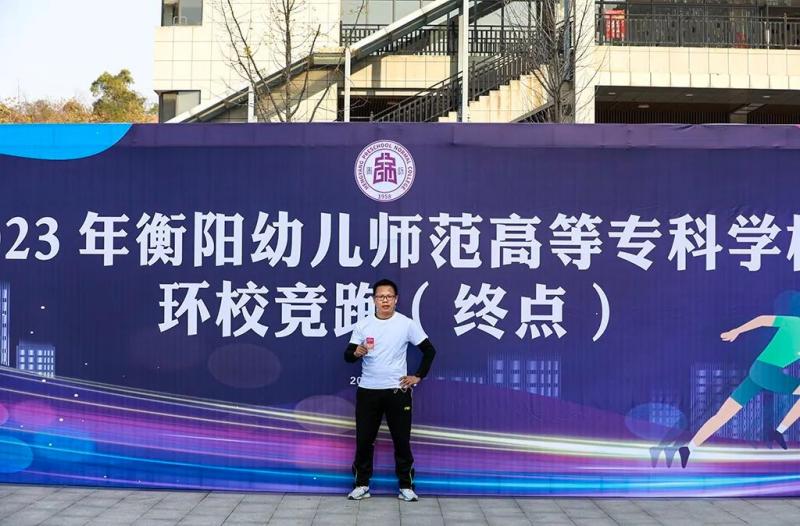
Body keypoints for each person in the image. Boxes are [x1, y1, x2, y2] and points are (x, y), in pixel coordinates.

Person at [343, 278, 437, 501]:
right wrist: (356, 352)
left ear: (396, 299)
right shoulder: (363, 325)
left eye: (389, 296)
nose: (384, 300)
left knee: (401, 441)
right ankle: (361, 485)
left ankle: (406, 486)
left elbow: (429, 350)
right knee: (364, 440)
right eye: (380, 296)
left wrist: (417, 376)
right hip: (368, 391)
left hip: (397, 391)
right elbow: (348, 356)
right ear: (374, 300)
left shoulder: (406, 324)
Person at [680, 315, 800, 468]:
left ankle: (688, 448)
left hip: (759, 373)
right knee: (724, 415)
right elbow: (762, 319)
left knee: (723, 415)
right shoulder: (794, 323)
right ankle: (779, 431)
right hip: (765, 372)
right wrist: (737, 331)